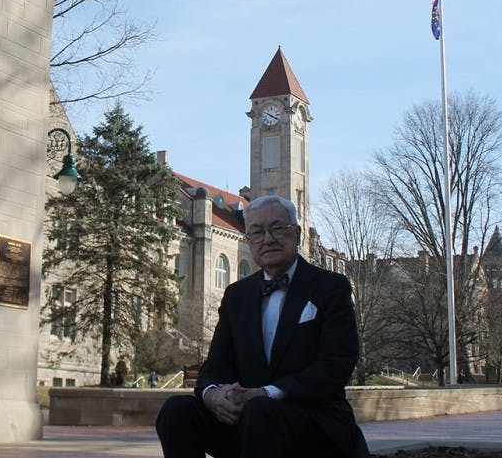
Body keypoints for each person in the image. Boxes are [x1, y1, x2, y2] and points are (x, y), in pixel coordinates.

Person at [155, 195, 369, 458]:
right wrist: (213, 396)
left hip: (313, 421)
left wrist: (265, 394)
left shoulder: (330, 287)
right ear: (248, 241)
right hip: (246, 422)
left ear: (297, 234)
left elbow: (336, 365)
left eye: (277, 228)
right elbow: (215, 366)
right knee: (176, 411)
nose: (267, 239)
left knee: (260, 412)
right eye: (256, 232)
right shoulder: (237, 295)